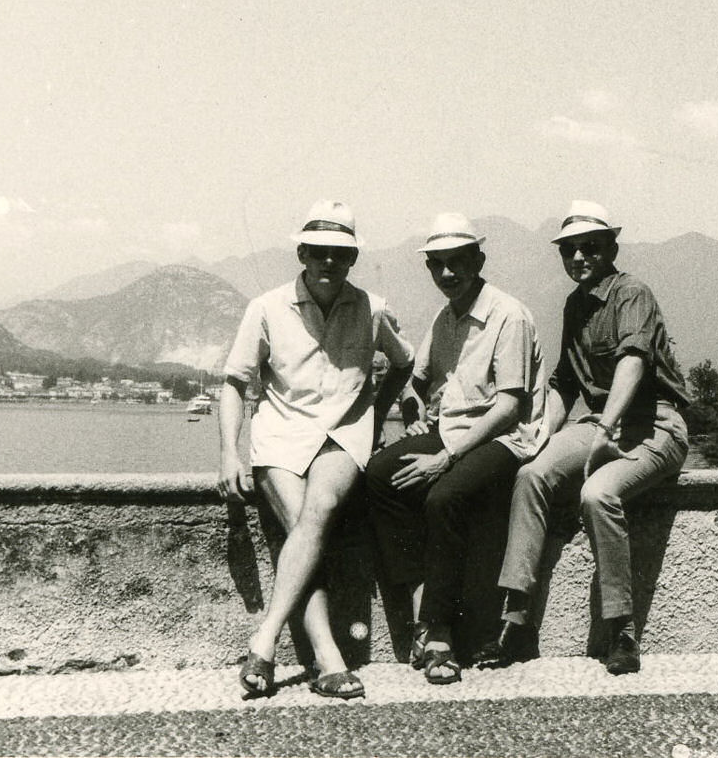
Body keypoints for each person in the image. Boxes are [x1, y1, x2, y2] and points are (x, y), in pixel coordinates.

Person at [218, 200, 414, 701]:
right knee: (302, 526)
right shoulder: (266, 308)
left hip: (343, 435)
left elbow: (404, 363)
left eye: (341, 254)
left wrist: (374, 413)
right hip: (280, 435)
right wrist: (229, 455)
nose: (330, 261)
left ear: (353, 259)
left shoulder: (373, 309)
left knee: (318, 508)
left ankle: (265, 640)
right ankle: (328, 658)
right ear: (301, 253)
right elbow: (235, 384)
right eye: (320, 251)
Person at [485, 200, 691, 675]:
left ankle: (621, 630)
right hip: (600, 421)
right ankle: (517, 622)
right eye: (569, 249)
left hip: (655, 423)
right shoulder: (575, 305)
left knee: (597, 494)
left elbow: (633, 361)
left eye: (590, 247)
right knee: (531, 475)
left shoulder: (632, 294)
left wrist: (604, 428)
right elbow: (564, 382)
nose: (579, 257)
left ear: (611, 248)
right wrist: (541, 435)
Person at [364, 212, 546, 686]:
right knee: (379, 475)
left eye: (457, 261)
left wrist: (446, 458)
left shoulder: (508, 315)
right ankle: (422, 598)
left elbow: (510, 407)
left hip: (506, 438)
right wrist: (413, 410)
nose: (447, 273)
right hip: (453, 431)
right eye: (437, 264)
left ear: (478, 260)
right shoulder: (446, 318)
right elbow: (416, 379)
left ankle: (440, 632)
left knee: (444, 496)